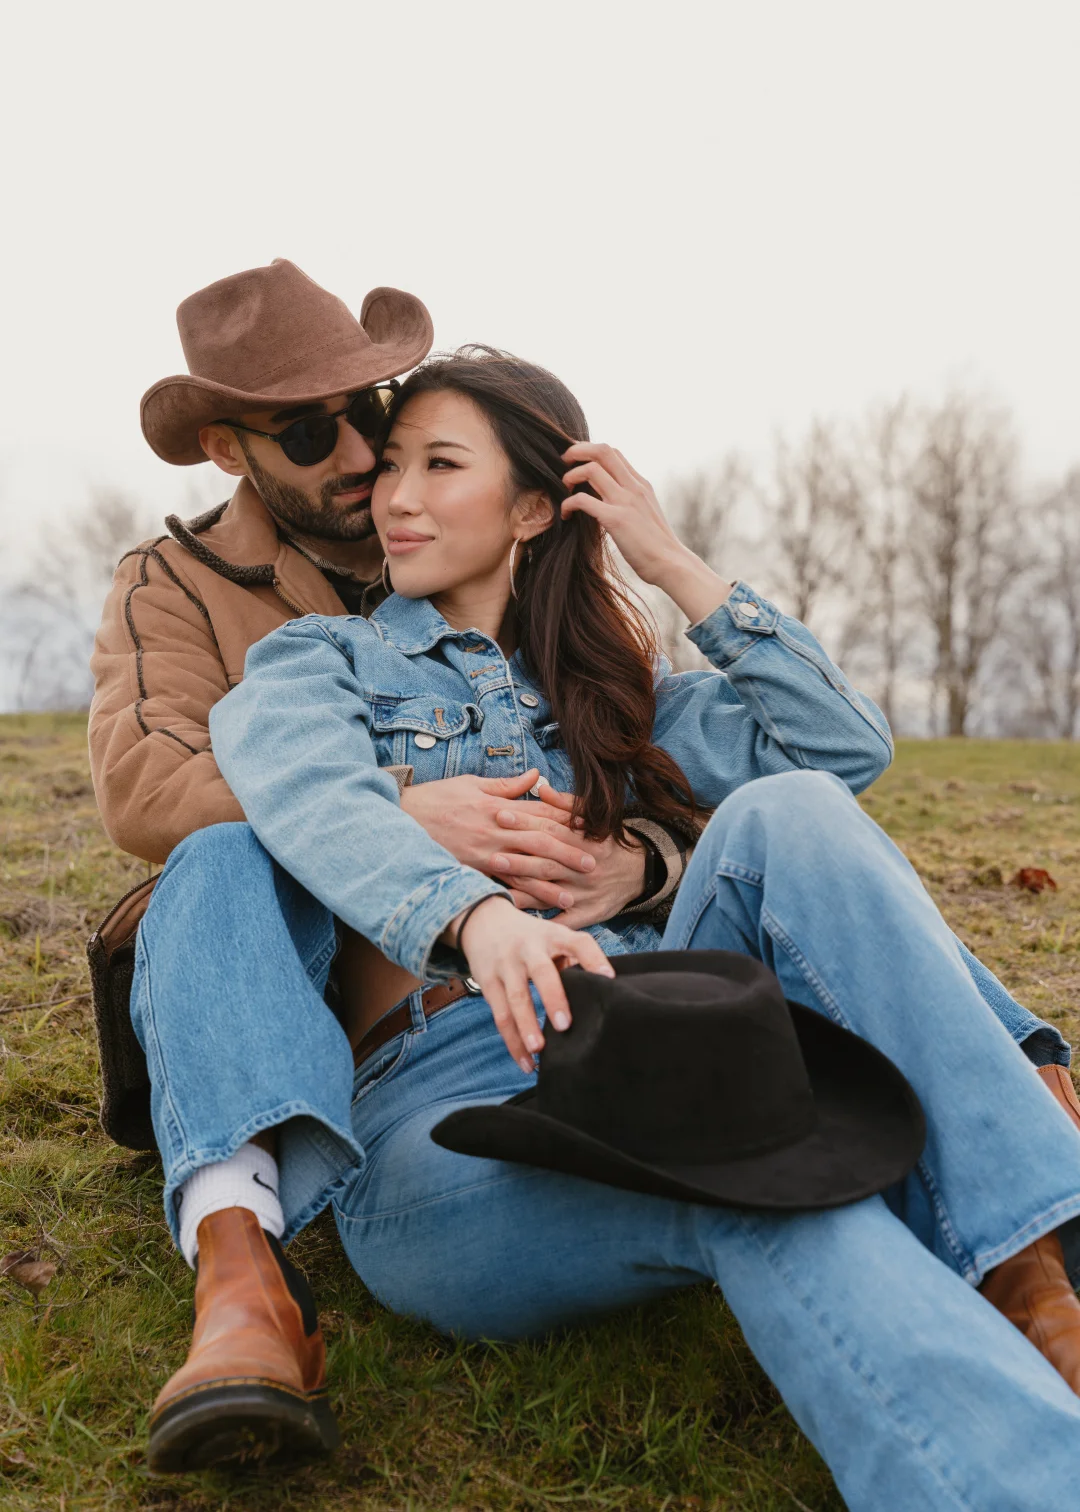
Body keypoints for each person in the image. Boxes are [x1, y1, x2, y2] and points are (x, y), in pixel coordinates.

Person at [193, 347, 1080, 1507]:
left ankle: (1032, 1282)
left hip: (652, 1035)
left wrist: (665, 561)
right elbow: (304, 796)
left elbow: (845, 752)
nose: (394, 498)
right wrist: (475, 918)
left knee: (793, 813)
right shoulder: (322, 664)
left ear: (528, 508)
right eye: (392, 465)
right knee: (740, 1173)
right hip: (443, 1107)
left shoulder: (624, 687)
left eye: (437, 465)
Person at [88, 259, 692, 1153]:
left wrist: (644, 859)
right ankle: (250, 1170)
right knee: (220, 858)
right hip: (313, 951)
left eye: (368, 412)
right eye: (304, 434)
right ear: (226, 450)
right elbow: (146, 785)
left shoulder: (455, 540)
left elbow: (643, 749)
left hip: (531, 950)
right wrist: (396, 807)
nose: (364, 458)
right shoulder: (169, 581)